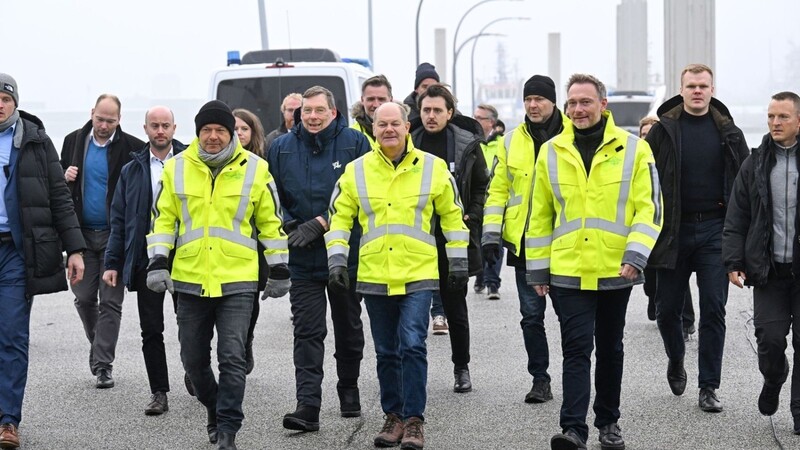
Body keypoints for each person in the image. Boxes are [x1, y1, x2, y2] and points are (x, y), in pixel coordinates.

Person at [526, 73, 662, 450]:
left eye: (585, 102)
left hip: (616, 268)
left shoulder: (635, 149)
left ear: (604, 105)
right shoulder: (551, 151)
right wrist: (537, 269)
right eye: (572, 103)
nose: (577, 109)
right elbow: (539, 215)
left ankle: (608, 422)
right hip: (568, 269)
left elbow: (649, 209)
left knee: (610, 347)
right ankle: (573, 429)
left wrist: (636, 256)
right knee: (575, 348)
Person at [146, 100, 290, 450]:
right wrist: (158, 260)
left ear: (231, 134)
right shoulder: (177, 168)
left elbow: (271, 223)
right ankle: (213, 406)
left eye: (220, 130)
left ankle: (227, 429)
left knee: (232, 356)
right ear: (198, 133)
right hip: (191, 279)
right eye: (207, 130)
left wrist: (280, 267)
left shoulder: (256, 169)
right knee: (192, 361)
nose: (213, 136)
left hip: (238, 279)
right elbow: (163, 219)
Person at [326, 101, 469, 450]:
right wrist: (337, 262)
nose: (388, 129)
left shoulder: (433, 169)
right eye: (381, 124)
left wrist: (459, 263)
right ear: (372, 129)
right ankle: (393, 416)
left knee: (412, 345)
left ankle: (415, 420)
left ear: (408, 127)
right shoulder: (355, 172)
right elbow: (339, 218)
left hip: (418, 273)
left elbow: (453, 217)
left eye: (395, 123)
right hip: (375, 274)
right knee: (387, 350)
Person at [645, 63, 749, 413]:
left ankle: (709, 386)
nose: (697, 91)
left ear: (712, 90)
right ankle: (676, 359)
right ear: (682, 89)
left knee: (714, 311)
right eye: (691, 86)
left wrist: (743, 240)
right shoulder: (662, 132)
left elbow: (746, 187)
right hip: (672, 230)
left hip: (714, 230)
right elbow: (644, 184)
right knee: (666, 310)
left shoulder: (730, 133)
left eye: (703, 86)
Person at [267, 86, 370, 431]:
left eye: (319, 111)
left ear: (333, 113)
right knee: (307, 331)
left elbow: (363, 194)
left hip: (343, 254)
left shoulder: (355, 143)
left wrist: (323, 221)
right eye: (306, 111)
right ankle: (307, 404)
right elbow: (271, 198)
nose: (312, 117)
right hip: (302, 256)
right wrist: (294, 225)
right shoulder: (280, 147)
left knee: (348, 328)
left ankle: (348, 388)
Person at [0, 73, 85, 450]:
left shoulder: (34, 140)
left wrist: (76, 249)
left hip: (17, 252)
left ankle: (8, 421)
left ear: (14, 101)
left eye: (4, 98)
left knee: (13, 336)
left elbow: (58, 196)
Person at [482, 74, 569, 404]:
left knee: (570, 318)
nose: (533, 105)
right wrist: (491, 233)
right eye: (528, 99)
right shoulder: (510, 141)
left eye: (540, 99)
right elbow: (498, 190)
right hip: (523, 245)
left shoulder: (570, 136)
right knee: (532, 316)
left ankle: (577, 376)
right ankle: (540, 379)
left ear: (553, 102)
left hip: (565, 245)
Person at [722, 91, 800, 433]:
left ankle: (798, 411)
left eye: (782, 117)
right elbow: (737, 216)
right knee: (769, 340)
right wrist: (733, 261)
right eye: (771, 116)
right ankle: (774, 377)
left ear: (798, 120)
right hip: (769, 271)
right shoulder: (754, 164)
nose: (775, 123)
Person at [102, 106, 185, 415]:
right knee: (151, 329)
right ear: (146, 129)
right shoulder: (131, 169)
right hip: (144, 258)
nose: (160, 131)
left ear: (175, 128)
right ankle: (159, 392)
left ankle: (194, 371)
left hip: (184, 257)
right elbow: (119, 219)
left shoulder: (190, 162)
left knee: (189, 325)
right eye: (154, 126)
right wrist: (112, 263)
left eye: (165, 125)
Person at [60, 94, 145, 388]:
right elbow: (56, 189)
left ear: (119, 120)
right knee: (84, 298)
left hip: (114, 237)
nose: (104, 125)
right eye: (100, 119)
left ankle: (103, 365)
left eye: (110, 121)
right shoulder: (73, 141)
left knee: (110, 302)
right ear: (91, 113)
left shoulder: (132, 147)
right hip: (80, 237)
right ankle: (99, 349)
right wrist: (64, 175)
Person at [411, 84, 488, 393]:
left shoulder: (467, 145)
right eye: (426, 110)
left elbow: (484, 186)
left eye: (437, 111)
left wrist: (473, 214)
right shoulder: (407, 141)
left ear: (450, 113)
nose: (431, 116)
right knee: (411, 308)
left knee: (455, 307)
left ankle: (461, 367)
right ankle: (411, 369)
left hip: (453, 239)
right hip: (414, 240)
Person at [639, 115, 696, 337]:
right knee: (650, 279)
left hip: (670, 224)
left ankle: (686, 320)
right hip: (647, 224)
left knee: (673, 272)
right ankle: (655, 301)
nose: (648, 138)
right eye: (643, 134)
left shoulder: (671, 158)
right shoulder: (638, 160)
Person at [233, 107, 269, 375]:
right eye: (234, 128)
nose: (239, 133)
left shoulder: (262, 164)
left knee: (250, 299)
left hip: (255, 245)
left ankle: (246, 341)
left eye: (244, 128)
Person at [472, 103, 503, 298]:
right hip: (476, 199)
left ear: (491, 122)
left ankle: (493, 283)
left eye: (479, 118)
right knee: (478, 239)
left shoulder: (502, 144)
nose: (475, 121)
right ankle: (480, 274)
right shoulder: (471, 142)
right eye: (474, 117)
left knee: (495, 240)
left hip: (495, 199)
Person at [350, 74, 393, 148]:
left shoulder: (405, 130)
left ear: (391, 100)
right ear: (362, 100)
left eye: (381, 99)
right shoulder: (351, 135)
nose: (376, 105)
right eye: (371, 99)